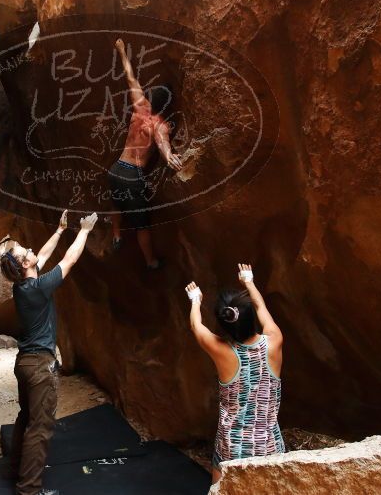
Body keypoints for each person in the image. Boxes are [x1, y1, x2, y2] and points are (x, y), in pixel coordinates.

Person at [0, 209, 98, 495]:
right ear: (23, 264)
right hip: (40, 367)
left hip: (24, 364)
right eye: (24, 252)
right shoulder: (39, 288)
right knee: (40, 428)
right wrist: (85, 231)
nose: (30, 250)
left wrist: (59, 229)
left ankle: (15, 468)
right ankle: (29, 488)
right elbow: (69, 260)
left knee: (25, 418)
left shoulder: (23, 286)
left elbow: (41, 256)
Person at [185, 263, 284, 483]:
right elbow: (261, 307)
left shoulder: (223, 352)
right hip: (269, 446)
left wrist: (195, 300)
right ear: (250, 318)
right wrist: (248, 281)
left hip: (232, 447)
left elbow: (196, 326)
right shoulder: (275, 340)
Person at [108, 37, 183, 269]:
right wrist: (170, 156)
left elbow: (130, 77)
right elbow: (162, 144)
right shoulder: (160, 124)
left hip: (116, 168)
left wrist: (121, 50)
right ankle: (150, 261)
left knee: (117, 204)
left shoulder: (140, 105)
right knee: (142, 225)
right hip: (132, 175)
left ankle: (117, 235)